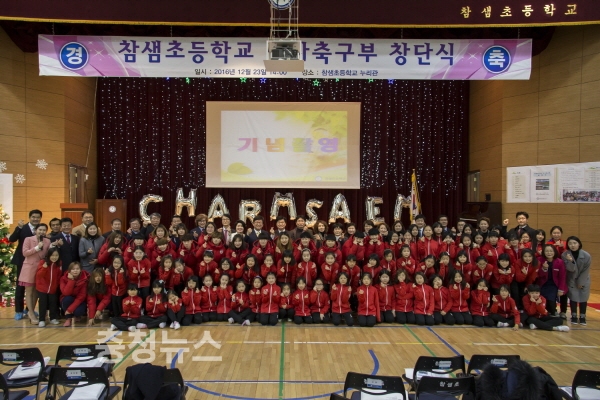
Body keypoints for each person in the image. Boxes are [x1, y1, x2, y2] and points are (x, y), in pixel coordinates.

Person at [9, 209, 41, 320]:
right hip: (22, 261)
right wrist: (18, 228)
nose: (35, 219)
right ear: (29, 217)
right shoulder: (22, 228)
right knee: (21, 286)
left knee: (34, 286)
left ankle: (29, 309)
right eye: (33, 217)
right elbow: (11, 239)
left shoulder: (40, 229)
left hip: (36, 262)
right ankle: (18, 310)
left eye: (38, 217)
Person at [21, 223, 52, 324]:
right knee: (29, 291)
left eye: (44, 230)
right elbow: (25, 253)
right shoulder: (28, 239)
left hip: (41, 268)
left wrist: (53, 247)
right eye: (40, 230)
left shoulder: (47, 241)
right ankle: (31, 313)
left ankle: (32, 311)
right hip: (29, 268)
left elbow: (47, 254)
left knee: (37, 292)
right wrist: (37, 248)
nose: (42, 232)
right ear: (35, 231)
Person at [562, 236, 591, 326]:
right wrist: (571, 261)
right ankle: (573, 315)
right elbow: (570, 269)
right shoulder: (565, 255)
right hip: (572, 279)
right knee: (573, 297)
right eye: (570, 243)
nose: (572, 245)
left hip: (584, 279)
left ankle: (582, 316)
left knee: (583, 298)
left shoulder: (586, 255)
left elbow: (586, 270)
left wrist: (581, 282)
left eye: (574, 243)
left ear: (579, 244)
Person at [536, 244, 567, 316]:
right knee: (542, 301)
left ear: (554, 252)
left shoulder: (560, 262)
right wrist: (544, 269)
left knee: (551, 302)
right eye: (547, 251)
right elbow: (538, 275)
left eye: (551, 251)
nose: (549, 253)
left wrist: (561, 289)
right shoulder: (539, 260)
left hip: (554, 285)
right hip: (542, 284)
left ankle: (553, 312)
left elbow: (562, 276)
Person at [35, 247, 62, 327]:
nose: (54, 257)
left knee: (53, 303)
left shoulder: (59, 263)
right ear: (49, 255)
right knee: (43, 304)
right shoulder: (43, 262)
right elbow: (39, 275)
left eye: (56, 255)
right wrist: (44, 268)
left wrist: (56, 285)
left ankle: (53, 318)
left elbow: (59, 276)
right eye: (52, 255)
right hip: (42, 288)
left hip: (53, 288)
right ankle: (42, 320)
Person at [60, 261, 89, 327]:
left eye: (77, 269)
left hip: (80, 301)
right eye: (73, 269)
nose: (75, 271)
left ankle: (77, 315)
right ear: (69, 270)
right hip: (68, 299)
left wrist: (70, 310)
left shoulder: (84, 279)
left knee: (78, 311)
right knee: (67, 299)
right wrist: (71, 280)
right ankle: (68, 318)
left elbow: (81, 297)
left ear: (80, 270)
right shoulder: (63, 278)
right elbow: (66, 293)